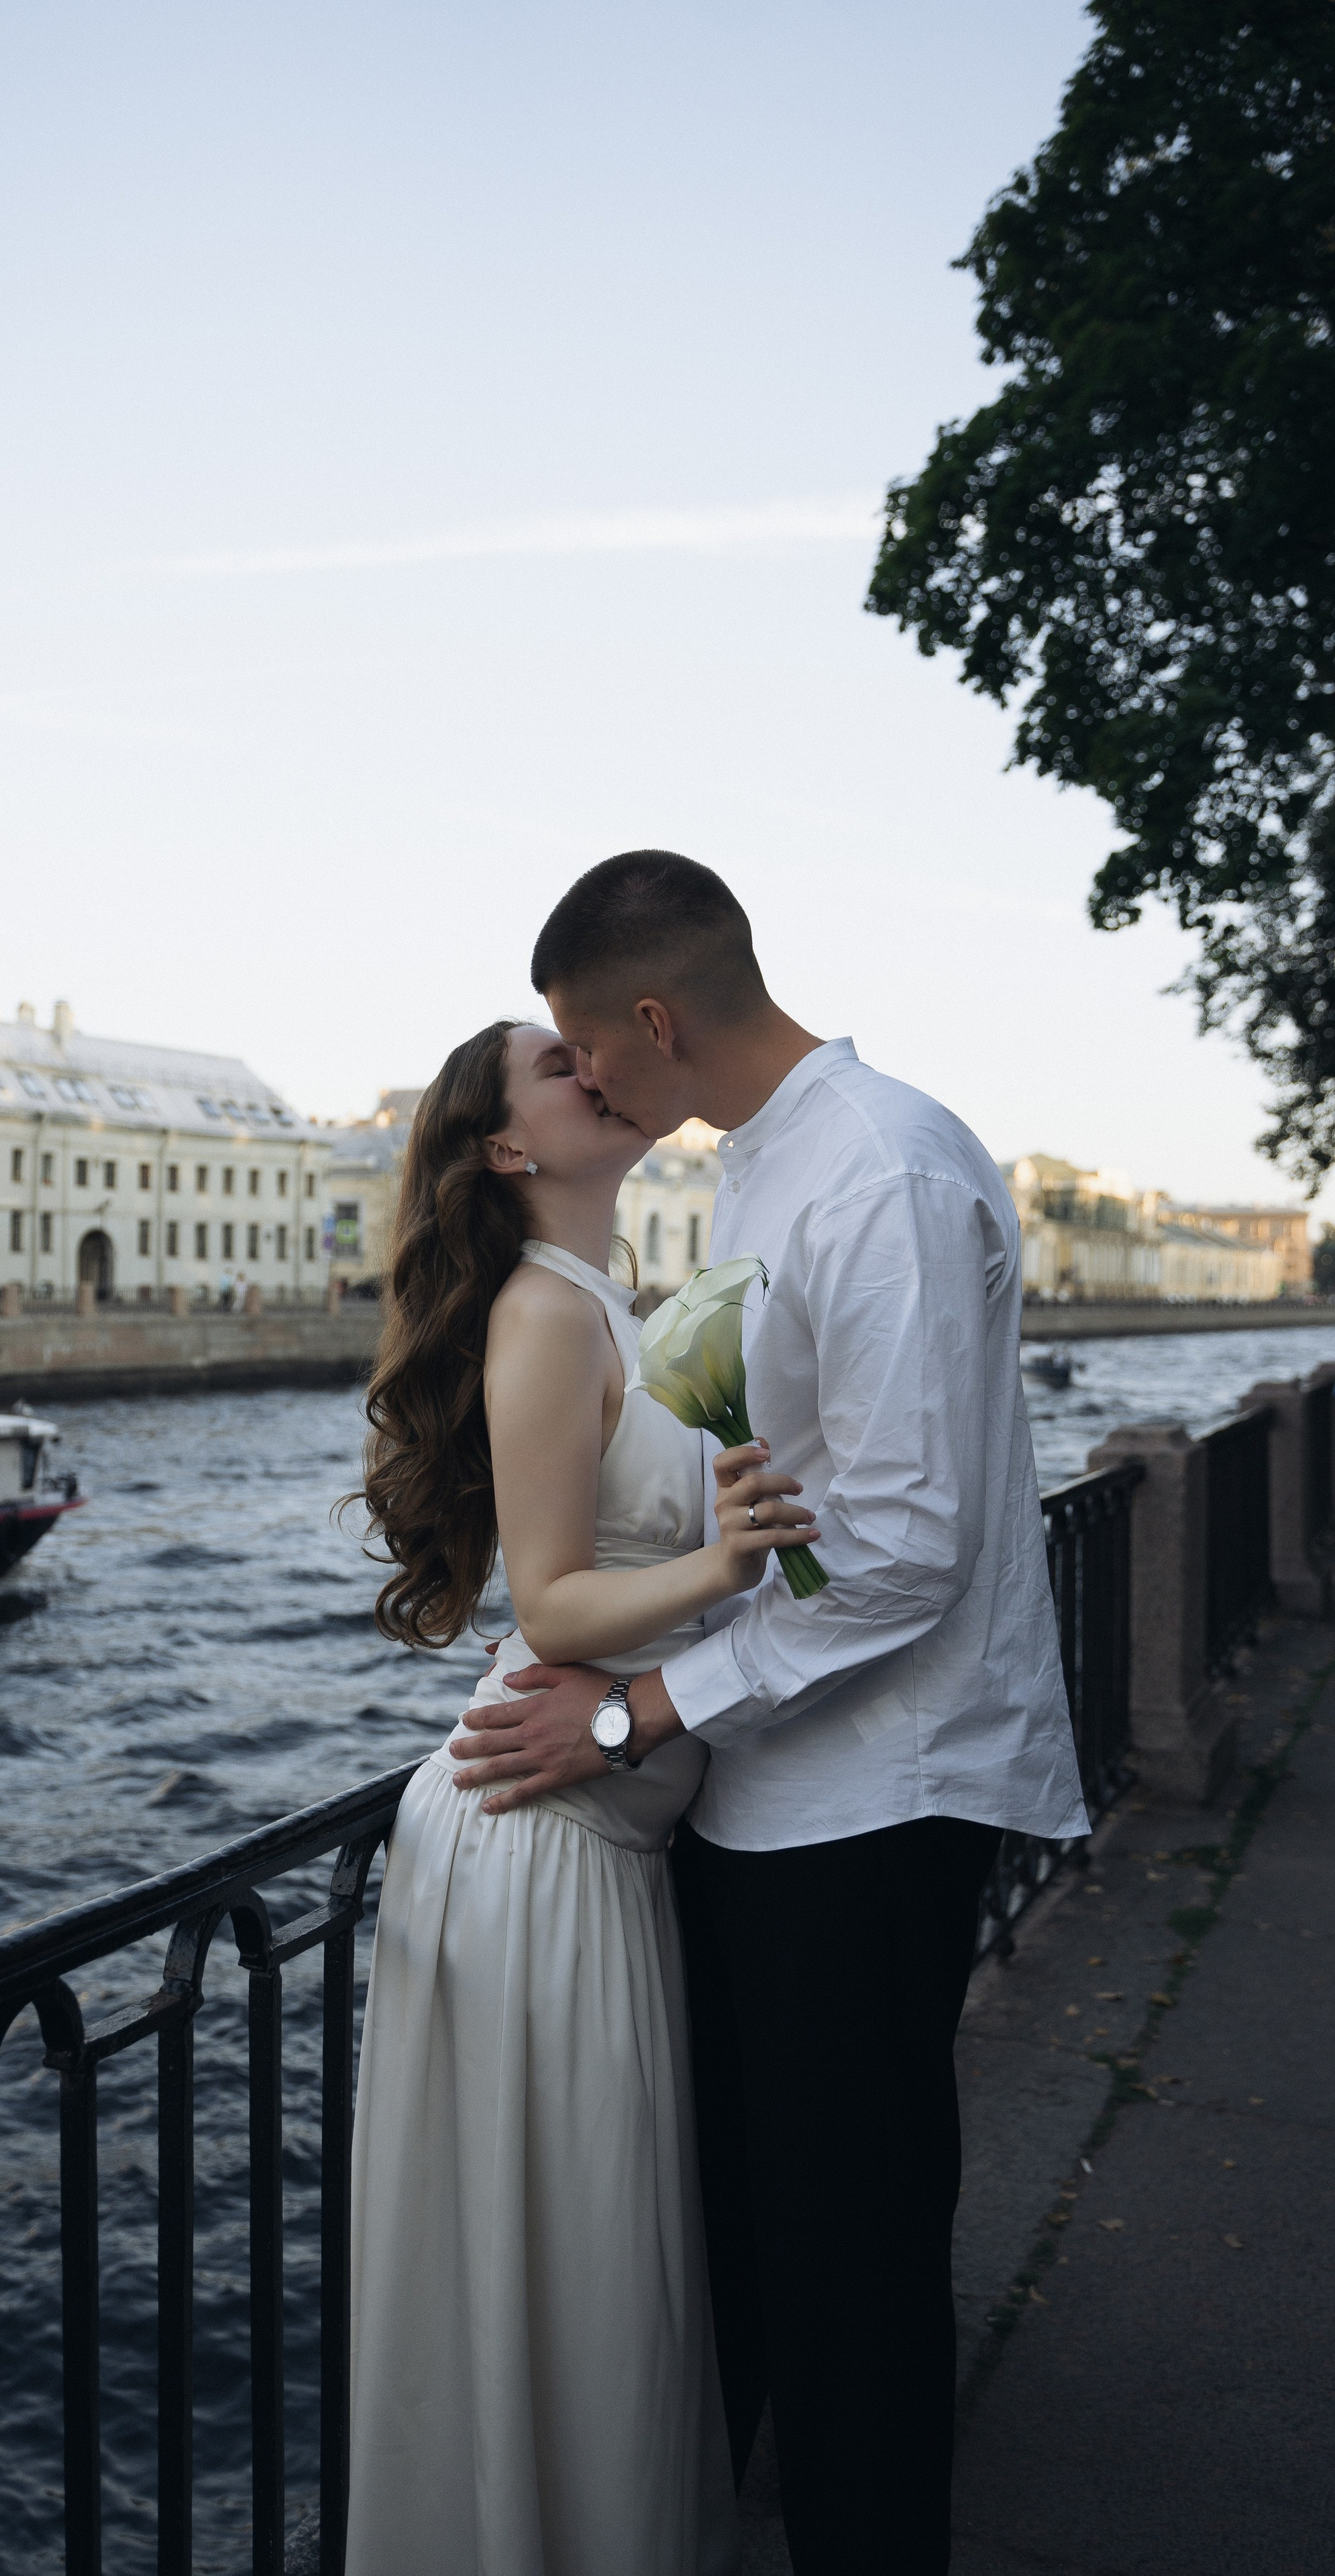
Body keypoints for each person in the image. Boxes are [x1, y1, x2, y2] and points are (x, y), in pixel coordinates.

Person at [451, 852, 1087, 2576]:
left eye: (589, 1047)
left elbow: (894, 1554)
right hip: (775, 1785)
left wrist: (629, 1715)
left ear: (653, 1020)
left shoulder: (876, 1171)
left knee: (849, 2269)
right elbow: (771, 1506)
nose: (591, 1081)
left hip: (876, 1795)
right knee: (767, 2239)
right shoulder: (763, 1171)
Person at [343, 1016, 817, 2576]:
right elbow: (549, 1604)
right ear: (504, 1147)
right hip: (534, 1839)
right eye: (555, 1065)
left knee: (581, 2266)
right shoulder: (546, 1311)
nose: (592, 1065)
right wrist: (724, 1563)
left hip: (589, 1833)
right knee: (578, 2259)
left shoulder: (609, 1303)